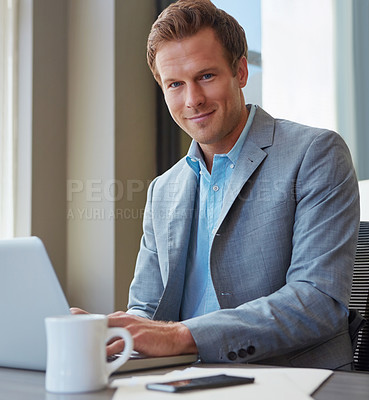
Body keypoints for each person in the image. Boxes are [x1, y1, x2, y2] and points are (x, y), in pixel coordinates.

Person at [72, 0, 361, 370]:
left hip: (289, 379)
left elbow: (317, 302)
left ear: (240, 71)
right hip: (180, 379)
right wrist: (112, 332)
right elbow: (145, 308)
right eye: (176, 84)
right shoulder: (164, 188)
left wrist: (179, 336)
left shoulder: (315, 153)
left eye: (206, 76)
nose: (192, 100)